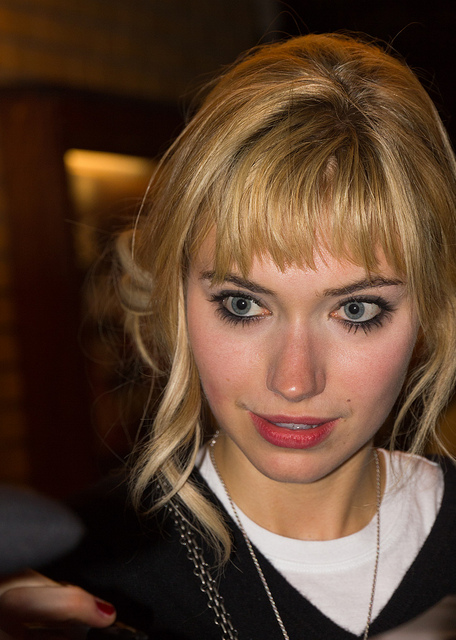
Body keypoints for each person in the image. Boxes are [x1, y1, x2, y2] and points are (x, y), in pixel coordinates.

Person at [1, 32, 456, 640]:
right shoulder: (78, 581)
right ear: (175, 297)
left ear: (432, 310)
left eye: (356, 310)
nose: (293, 381)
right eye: (243, 304)